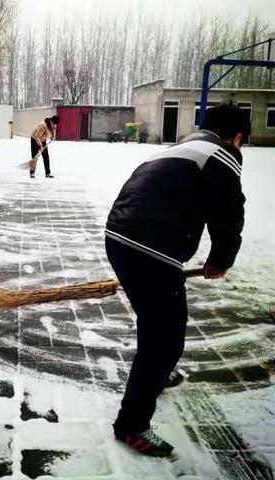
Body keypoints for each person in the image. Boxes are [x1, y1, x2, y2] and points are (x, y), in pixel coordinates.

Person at [105, 104, 250, 457]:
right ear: (237, 137)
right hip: (151, 249)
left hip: (118, 236)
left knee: (156, 325)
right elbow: (229, 214)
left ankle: (156, 374)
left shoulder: (182, 147)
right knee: (166, 339)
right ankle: (132, 426)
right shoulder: (222, 153)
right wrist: (220, 261)